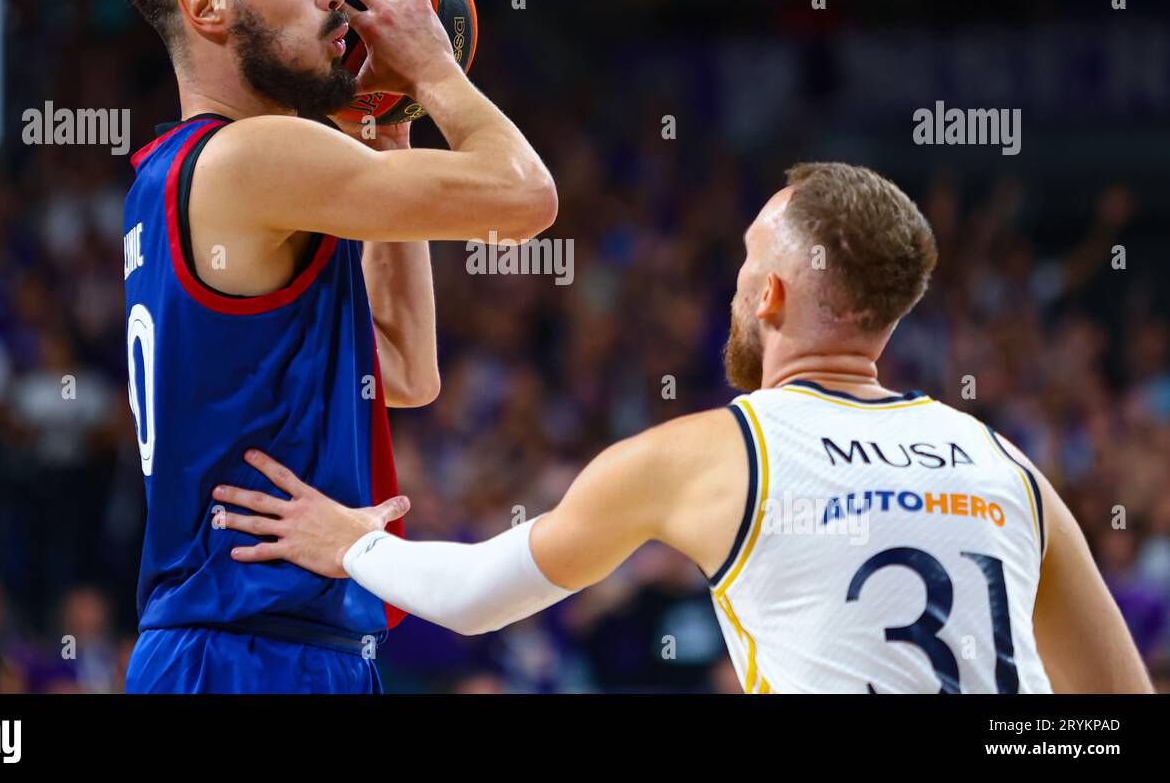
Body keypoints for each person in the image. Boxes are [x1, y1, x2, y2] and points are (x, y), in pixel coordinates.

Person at [216, 162, 1152, 693]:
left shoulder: (704, 454)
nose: (737, 284)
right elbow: (1108, 713)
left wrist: (355, 546)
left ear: (770, 294)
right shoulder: (1008, 465)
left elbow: (474, 597)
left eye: (746, 264)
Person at [121, 0, 555, 693]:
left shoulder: (185, 174)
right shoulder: (252, 157)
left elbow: (403, 371)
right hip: (246, 646)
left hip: (279, 643)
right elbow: (526, 197)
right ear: (207, 7)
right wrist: (431, 67)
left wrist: (389, 137)